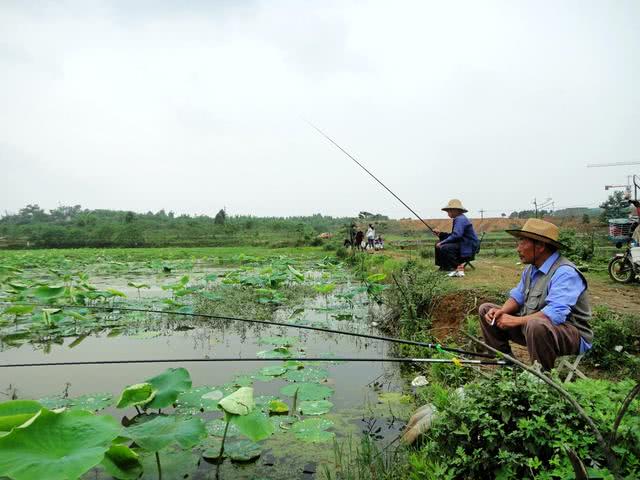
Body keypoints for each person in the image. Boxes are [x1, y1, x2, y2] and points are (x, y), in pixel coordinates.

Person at [478, 218, 593, 371]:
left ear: (540, 246)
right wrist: (502, 312)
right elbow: (517, 297)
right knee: (487, 310)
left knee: (535, 325)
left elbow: (555, 314)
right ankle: (507, 366)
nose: (518, 249)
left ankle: (541, 380)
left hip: (570, 334)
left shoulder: (565, 272)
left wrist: (516, 321)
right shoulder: (531, 269)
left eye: (522, 243)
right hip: (534, 329)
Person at [434, 199, 479, 277]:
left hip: (468, 246)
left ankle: (456, 267)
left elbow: (456, 235)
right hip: (463, 243)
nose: (448, 213)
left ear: (456, 210)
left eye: (449, 211)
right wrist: (440, 234)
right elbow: (455, 235)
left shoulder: (460, 219)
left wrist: (442, 242)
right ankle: (444, 266)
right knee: (438, 244)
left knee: (445, 247)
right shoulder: (459, 218)